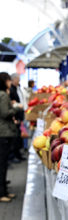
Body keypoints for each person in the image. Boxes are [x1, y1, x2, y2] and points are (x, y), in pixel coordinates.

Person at [0, 72, 22, 202]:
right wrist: (16, 107)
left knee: (3, 163)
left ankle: (4, 191)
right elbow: (4, 113)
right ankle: (2, 193)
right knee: (2, 163)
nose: (10, 82)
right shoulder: (2, 95)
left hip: (3, 132)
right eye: (8, 80)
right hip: (3, 133)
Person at [9, 73, 26, 162]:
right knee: (14, 138)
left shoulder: (17, 88)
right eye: (18, 79)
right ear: (13, 79)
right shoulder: (11, 90)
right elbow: (11, 104)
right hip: (14, 116)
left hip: (18, 116)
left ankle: (18, 154)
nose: (19, 80)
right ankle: (14, 156)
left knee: (18, 137)